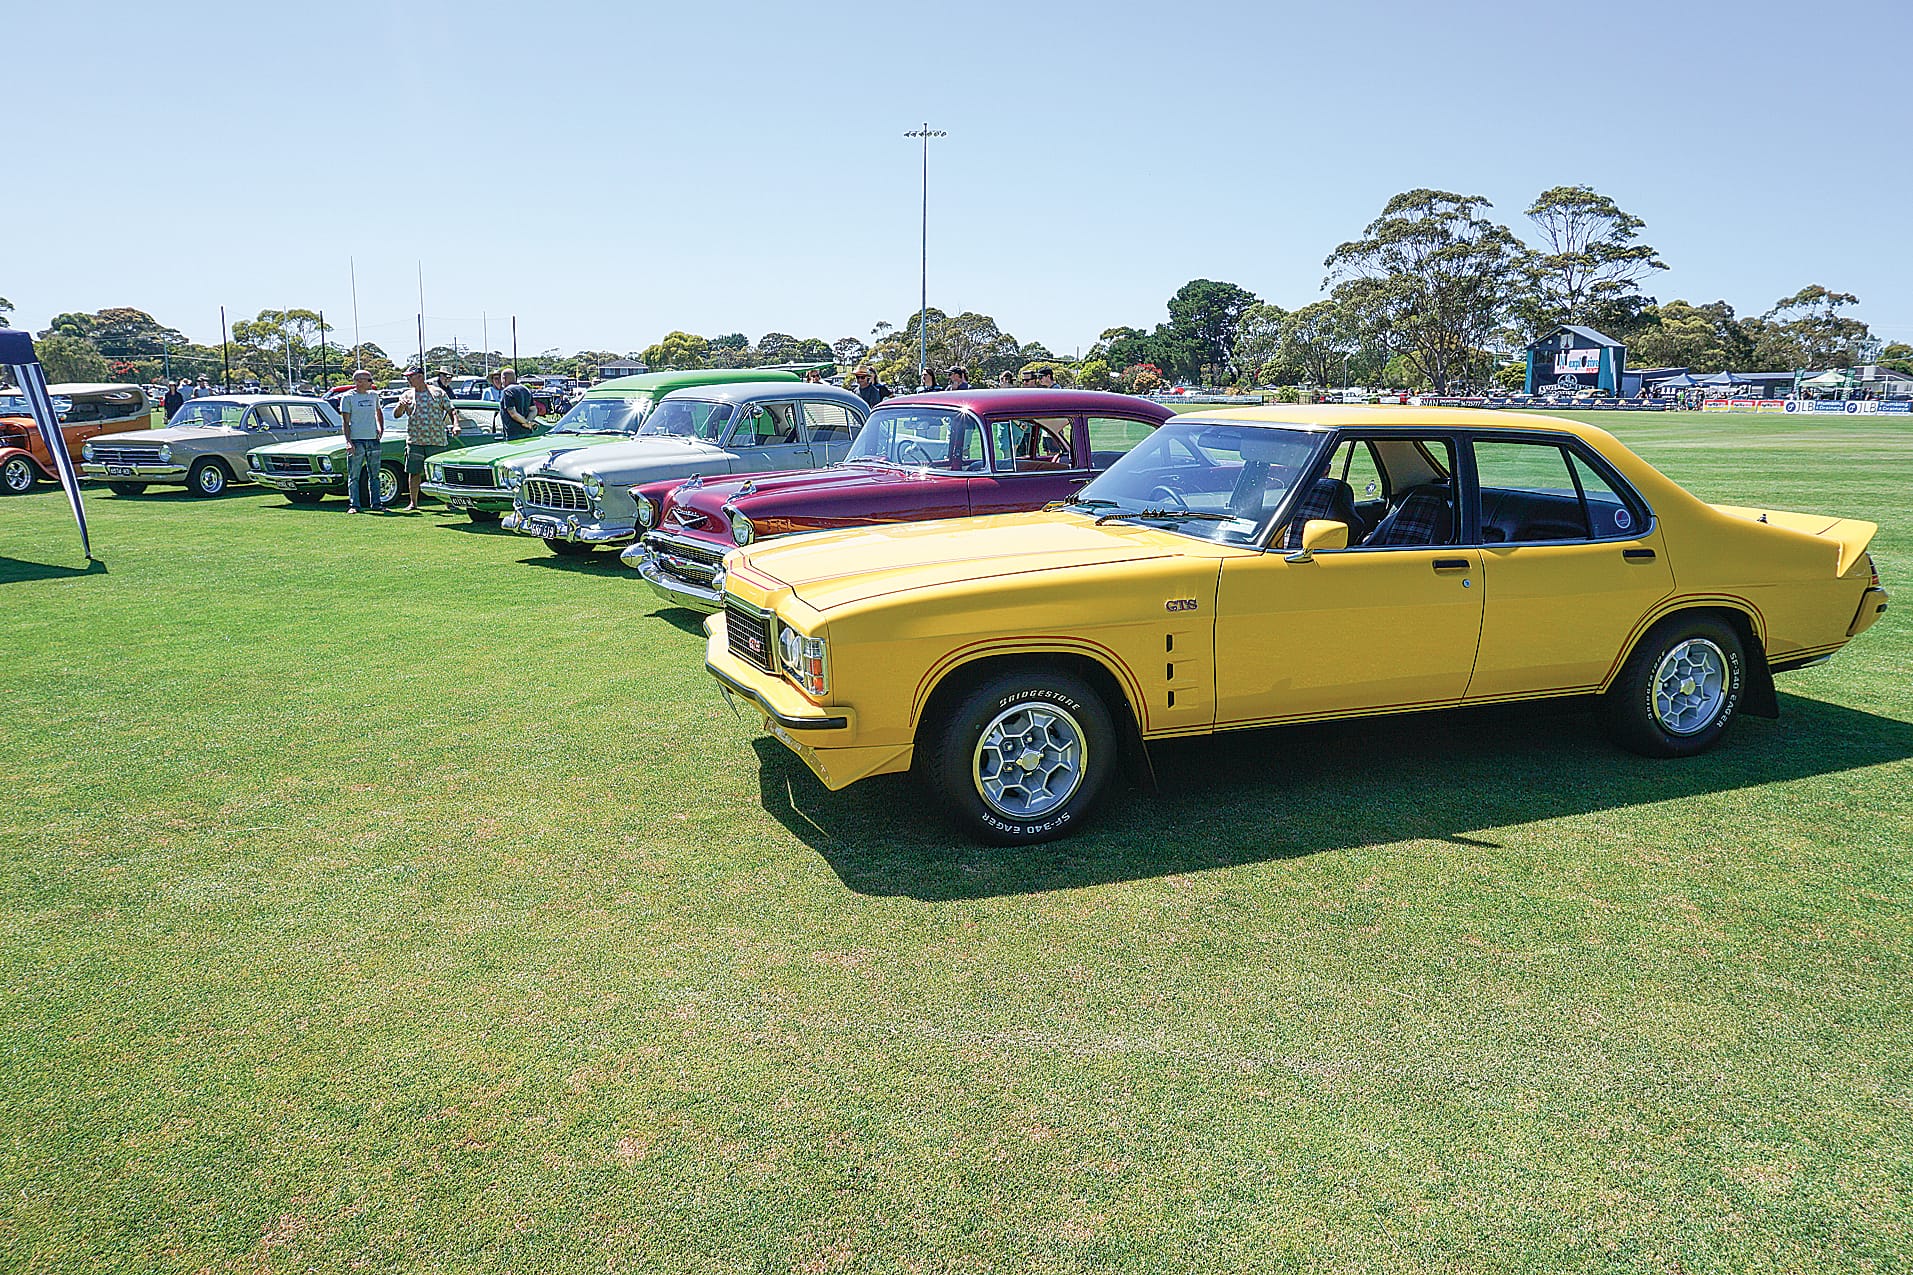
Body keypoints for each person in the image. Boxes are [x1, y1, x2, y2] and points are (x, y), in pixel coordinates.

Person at [394, 365, 456, 512]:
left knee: (440, 473)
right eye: (407, 377)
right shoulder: (406, 395)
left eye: (411, 377)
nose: (409, 380)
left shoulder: (437, 393)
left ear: (420, 377)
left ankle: (448, 502)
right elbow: (396, 415)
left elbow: (451, 410)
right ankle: (413, 503)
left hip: (437, 440)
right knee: (414, 472)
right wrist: (401, 407)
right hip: (415, 440)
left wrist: (456, 425)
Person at [338, 369, 386, 513]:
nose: (371, 383)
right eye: (368, 380)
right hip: (356, 440)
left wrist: (380, 428)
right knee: (354, 476)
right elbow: (345, 422)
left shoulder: (373, 395)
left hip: (373, 439)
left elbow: (378, 412)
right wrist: (348, 441)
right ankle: (354, 505)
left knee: (375, 475)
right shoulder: (348, 397)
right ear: (358, 381)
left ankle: (376, 504)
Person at [499, 367, 537, 438]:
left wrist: (525, 422)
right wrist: (528, 422)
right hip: (527, 432)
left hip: (513, 434)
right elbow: (533, 410)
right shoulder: (526, 390)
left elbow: (513, 413)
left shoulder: (507, 391)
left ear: (504, 378)